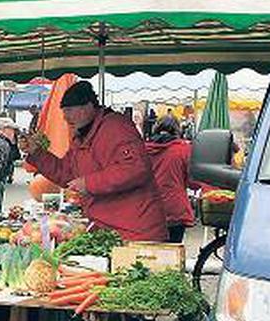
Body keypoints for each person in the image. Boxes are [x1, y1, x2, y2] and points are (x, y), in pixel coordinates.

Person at [19, 81, 167, 241]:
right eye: (63, 112)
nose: (65, 118)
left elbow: (135, 168)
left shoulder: (116, 127)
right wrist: (36, 152)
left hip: (135, 231)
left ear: (88, 107)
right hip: (107, 227)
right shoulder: (81, 136)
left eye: (69, 111)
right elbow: (67, 174)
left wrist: (89, 183)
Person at [145, 115, 195, 243]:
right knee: (172, 254)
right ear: (177, 130)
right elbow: (193, 182)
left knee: (147, 255)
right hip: (175, 211)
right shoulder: (184, 150)